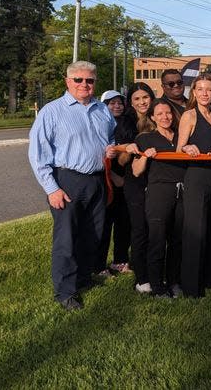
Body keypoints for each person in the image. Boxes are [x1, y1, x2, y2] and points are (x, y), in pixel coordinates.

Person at [28, 61, 118, 311]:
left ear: (95, 83)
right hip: (66, 180)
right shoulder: (52, 111)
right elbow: (38, 154)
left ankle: (83, 278)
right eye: (78, 80)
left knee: (93, 234)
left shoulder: (102, 109)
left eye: (89, 80)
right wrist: (52, 189)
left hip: (97, 180)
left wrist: (110, 149)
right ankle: (65, 292)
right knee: (67, 238)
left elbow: (110, 136)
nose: (84, 85)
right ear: (67, 82)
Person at [130, 99, 185, 299]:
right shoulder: (145, 138)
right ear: (152, 117)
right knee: (158, 239)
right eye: (159, 114)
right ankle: (156, 285)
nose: (165, 117)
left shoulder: (181, 136)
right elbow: (136, 171)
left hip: (182, 192)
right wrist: (146, 156)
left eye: (168, 113)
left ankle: (174, 281)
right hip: (159, 193)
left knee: (177, 240)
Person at [177, 73, 211, 297]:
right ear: (193, 93)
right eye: (200, 89)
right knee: (195, 231)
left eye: (209, 89)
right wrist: (187, 148)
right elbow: (179, 149)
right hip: (196, 178)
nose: (205, 93)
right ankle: (191, 286)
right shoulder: (189, 115)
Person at [121, 82, 156, 294]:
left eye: (145, 97)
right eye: (137, 99)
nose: (142, 102)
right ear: (131, 102)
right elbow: (122, 161)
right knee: (140, 228)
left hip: (157, 180)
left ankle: (154, 270)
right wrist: (130, 147)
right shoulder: (126, 122)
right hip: (135, 182)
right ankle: (141, 278)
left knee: (157, 229)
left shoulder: (160, 116)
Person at [96, 90, 131, 276]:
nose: (117, 106)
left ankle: (120, 260)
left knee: (124, 224)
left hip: (126, 182)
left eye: (119, 103)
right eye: (112, 103)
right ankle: (99, 265)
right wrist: (113, 177)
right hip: (106, 181)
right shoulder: (98, 124)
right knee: (103, 225)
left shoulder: (127, 123)